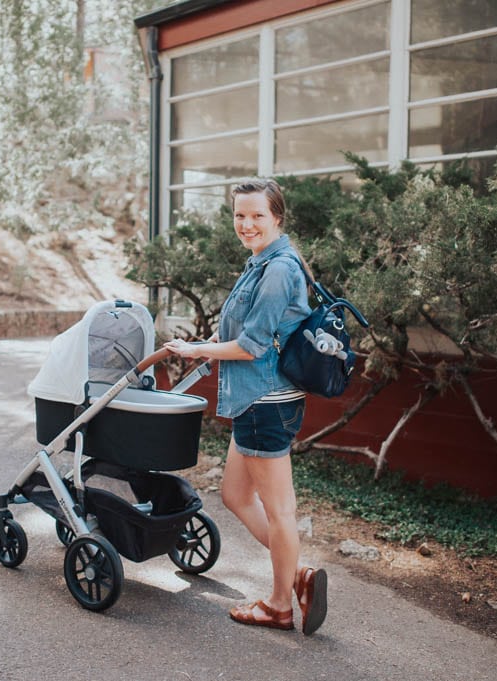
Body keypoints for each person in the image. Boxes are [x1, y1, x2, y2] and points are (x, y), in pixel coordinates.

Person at [164, 178, 327, 635]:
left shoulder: (278, 268)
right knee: (236, 496)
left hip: (265, 402)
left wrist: (197, 352)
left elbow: (254, 346)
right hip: (255, 401)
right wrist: (210, 341)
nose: (247, 223)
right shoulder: (261, 261)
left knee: (279, 510)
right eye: (240, 215)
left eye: (257, 215)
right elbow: (245, 325)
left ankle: (279, 605)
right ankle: (297, 576)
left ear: (277, 216)